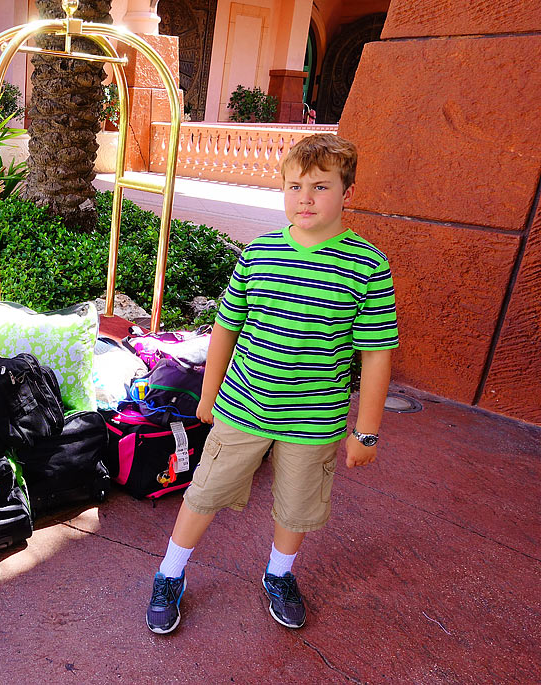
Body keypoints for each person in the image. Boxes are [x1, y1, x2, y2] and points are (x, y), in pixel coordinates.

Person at [145, 133, 399, 634]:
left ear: (347, 192)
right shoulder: (260, 253)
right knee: (204, 492)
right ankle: (169, 573)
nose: (305, 198)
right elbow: (225, 328)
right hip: (243, 407)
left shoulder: (368, 266)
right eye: (294, 186)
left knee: (298, 504)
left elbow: (375, 355)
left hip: (315, 420)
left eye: (320, 186)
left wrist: (366, 431)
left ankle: (278, 575)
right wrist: (209, 392)